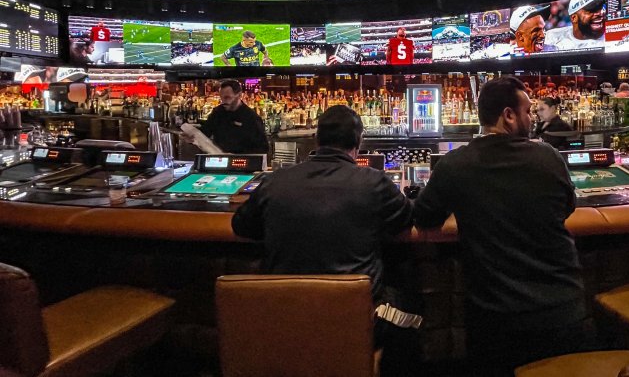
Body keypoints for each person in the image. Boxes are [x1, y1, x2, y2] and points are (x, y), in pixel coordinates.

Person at [412, 76, 588, 376]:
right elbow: (566, 207)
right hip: (565, 311)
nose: (531, 118)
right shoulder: (549, 157)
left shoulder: (455, 164)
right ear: (508, 115)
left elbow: (424, 217)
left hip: (496, 320)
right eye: (528, 111)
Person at [231, 105, 417, 373]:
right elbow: (406, 220)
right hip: (354, 319)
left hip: (279, 315)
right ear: (359, 141)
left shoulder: (276, 180)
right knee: (411, 300)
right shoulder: (374, 181)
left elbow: (241, 226)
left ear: (316, 141)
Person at [184, 80, 268, 154]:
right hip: (220, 160)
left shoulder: (251, 117)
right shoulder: (218, 112)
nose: (224, 101)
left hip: (241, 163)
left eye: (227, 97)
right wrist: (192, 138)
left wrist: (237, 155)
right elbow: (206, 132)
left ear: (239, 96)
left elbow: (263, 148)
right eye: (222, 98)